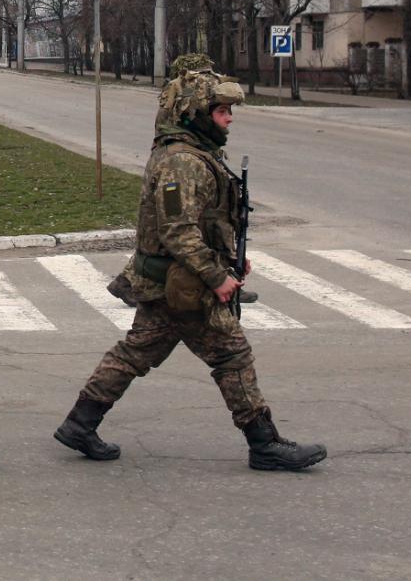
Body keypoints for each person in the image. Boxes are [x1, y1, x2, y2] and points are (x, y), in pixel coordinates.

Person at [54, 69, 326, 472]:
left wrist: (229, 257)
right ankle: (264, 444)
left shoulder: (192, 154)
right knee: (232, 355)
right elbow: (178, 230)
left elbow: (200, 222)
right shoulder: (183, 161)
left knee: (135, 353)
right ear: (196, 114)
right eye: (221, 111)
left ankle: (80, 423)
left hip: (169, 281)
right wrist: (216, 277)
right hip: (182, 284)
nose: (229, 118)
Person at [106, 52, 257, 307]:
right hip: (180, 164)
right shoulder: (183, 98)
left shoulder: (179, 94)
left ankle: (127, 281)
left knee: (172, 226)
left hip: (184, 157)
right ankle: (132, 281)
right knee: (175, 225)